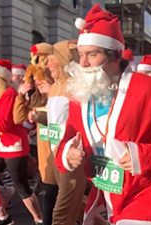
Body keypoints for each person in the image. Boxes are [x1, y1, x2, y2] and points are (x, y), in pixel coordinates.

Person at [55, 4, 151, 225]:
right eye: (81, 54)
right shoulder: (81, 96)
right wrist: (68, 153)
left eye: (92, 55)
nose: (83, 63)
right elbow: (68, 139)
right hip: (107, 195)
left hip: (149, 194)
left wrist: (145, 156)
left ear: (114, 55)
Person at [0, 59, 43, 225]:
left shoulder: (9, 94)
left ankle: (39, 219)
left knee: (22, 187)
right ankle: (3, 215)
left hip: (14, 146)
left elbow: (3, 124)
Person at [13, 42, 57, 225]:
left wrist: (52, 93)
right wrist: (21, 95)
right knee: (48, 195)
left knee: (60, 197)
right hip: (44, 152)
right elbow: (17, 118)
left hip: (61, 152)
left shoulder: (60, 90)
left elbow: (65, 117)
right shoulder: (35, 94)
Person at [46, 40, 87, 225]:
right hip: (54, 152)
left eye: (50, 60)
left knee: (60, 214)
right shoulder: (54, 87)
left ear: (62, 60)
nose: (47, 65)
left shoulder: (76, 87)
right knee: (75, 209)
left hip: (71, 155)